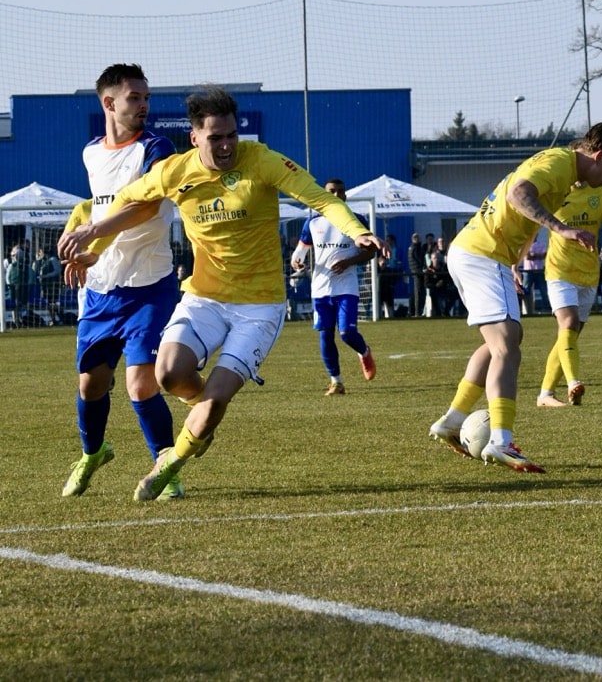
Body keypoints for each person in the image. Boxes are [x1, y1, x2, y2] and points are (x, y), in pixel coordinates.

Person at [60, 85, 387, 501]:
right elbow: (125, 203)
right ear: (195, 137)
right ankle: (203, 412)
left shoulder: (263, 161)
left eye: (232, 135)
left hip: (260, 306)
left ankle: (170, 462)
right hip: (204, 299)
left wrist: (359, 231)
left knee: (214, 401)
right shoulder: (174, 171)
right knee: (168, 375)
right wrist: (94, 250)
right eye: (216, 137)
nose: (227, 144)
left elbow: (321, 200)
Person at [427, 122, 602, 472]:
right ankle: (500, 441)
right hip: (483, 253)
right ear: (599, 156)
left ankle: (452, 420)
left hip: (477, 252)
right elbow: (518, 195)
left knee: (504, 340)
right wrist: (562, 227)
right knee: (507, 344)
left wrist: (514, 262)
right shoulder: (558, 164)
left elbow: (519, 211)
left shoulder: (564, 171)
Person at [58, 63, 184, 499]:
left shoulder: (157, 147)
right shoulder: (92, 153)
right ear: (109, 103)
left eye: (147, 97)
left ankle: (166, 467)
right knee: (91, 385)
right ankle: (93, 453)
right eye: (135, 98)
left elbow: (148, 206)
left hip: (151, 287)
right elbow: (103, 209)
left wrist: (92, 234)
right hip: (101, 290)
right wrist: (92, 251)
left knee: (139, 383)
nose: (145, 105)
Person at [535, 183, 602, 408]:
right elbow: (532, 224)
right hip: (559, 270)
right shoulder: (557, 189)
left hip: (588, 272)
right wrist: (516, 263)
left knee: (569, 335)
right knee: (569, 322)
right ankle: (573, 382)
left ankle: (545, 394)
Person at [290, 178, 378, 396]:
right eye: (332, 191)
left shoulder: (357, 220)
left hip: (346, 286)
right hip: (320, 289)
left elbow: (371, 251)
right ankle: (336, 382)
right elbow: (301, 250)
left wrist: (348, 262)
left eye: (341, 191)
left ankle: (364, 351)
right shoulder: (312, 222)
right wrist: (297, 261)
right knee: (325, 335)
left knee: (347, 332)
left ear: (346, 195)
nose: (337, 195)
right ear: (324, 194)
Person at [377, 233, 402, 319]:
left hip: (388, 286)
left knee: (389, 301)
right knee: (379, 301)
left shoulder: (389, 270)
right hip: (380, 288)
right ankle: (379, 315)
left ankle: (391, 315)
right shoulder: (377, 270)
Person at [407, 232, 428, 317]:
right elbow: (420, 260)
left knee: (416, 293)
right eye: (416, 238)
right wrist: (423, 268)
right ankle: (417, 312)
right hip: (418, 273)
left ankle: (414, 311)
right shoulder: (416, 248)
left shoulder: (411, 247)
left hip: (415, 272)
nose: (417, 239)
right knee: (419, 293)